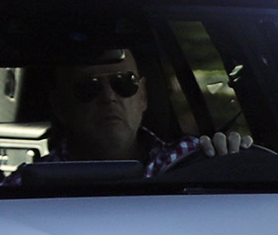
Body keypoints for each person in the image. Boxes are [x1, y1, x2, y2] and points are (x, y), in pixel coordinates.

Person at [38, 47, 250, 176]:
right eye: (88, 87)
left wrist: (233, 162)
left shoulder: (197, 160)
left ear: (143, 97)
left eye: (124, 83)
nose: (109, 97)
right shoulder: (23, 188)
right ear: (60, 107)